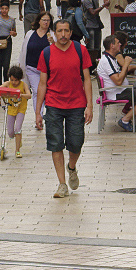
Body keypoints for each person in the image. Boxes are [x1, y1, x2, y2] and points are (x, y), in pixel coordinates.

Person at [34, 17, 95, 198]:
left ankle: (72, 166)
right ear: (54, 32)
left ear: (70, 32)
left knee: (76, 142)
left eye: (66, 31)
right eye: (59, 31)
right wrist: (38, 111)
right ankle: (62, 184)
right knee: (55, 143)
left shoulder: (80, 50)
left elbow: (87, 80)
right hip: (54, 104)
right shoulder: (47, 53)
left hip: (77, 103)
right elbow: (42, 84)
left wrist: (89, 105)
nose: (63, 34)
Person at [97, 33, 136, 132]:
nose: (120, 44)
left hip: (121, 89)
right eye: (118, 43)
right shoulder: (106, 61)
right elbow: (118, 81)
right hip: (116, 92)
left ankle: (128, 117)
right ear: (112, 45)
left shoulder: (111, 58)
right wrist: (126, 64)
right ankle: (125, 120)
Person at [22, 11, 55, 130]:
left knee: (48, 92)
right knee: (36, 91)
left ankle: (50, 115)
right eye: (43, 20)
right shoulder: (30, 34)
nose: (46, 22)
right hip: (32, 68)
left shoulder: (52, 35)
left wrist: (53, 42)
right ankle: (39, 116)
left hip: (48, 70)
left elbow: (58, 50)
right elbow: (23, 51)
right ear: (39, 21)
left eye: (48, 20)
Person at [0, 65, 29, 159]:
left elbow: (29, 95)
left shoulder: (23, 85)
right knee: (10, 132)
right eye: (12, 80)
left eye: (16, 80)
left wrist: (21, 95)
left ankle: (17, 150)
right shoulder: (7, 84)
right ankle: (18, 139)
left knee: (18, 129)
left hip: (20, 109)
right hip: (10, 108)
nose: (14, 82)